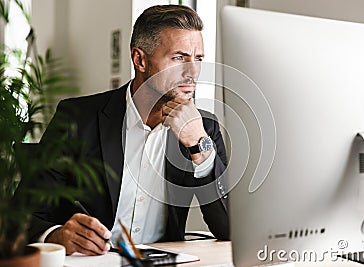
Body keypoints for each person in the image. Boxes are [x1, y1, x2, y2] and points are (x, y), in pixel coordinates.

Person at [27, 5, 229, 256]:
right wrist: (57, 235)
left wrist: (199, 145)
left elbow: (229, 229)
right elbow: (24, 215)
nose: (192, 72)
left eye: (197, 58)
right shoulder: (77, 119)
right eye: (179, 58)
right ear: (140, 59)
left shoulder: (204, 127)